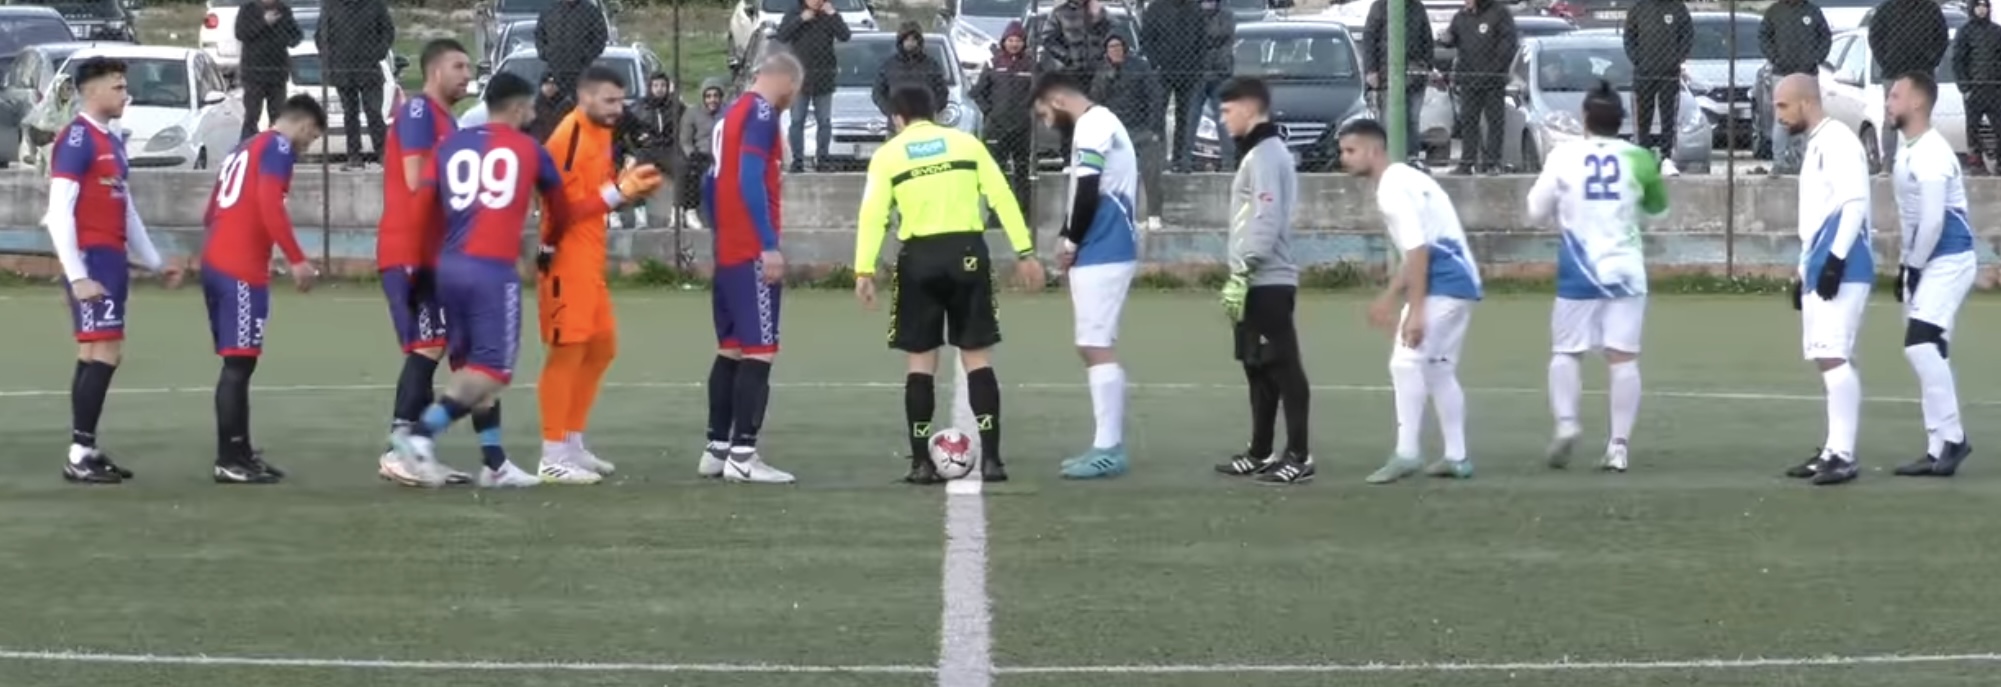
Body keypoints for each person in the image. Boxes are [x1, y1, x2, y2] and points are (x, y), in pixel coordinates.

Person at [389, 72, 662, 488]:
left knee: (473, 366)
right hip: (491, 272)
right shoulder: (529, 149)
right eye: (531, 107)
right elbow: (561, 213)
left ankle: (495, 464)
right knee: (492, 371)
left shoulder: (449, 145)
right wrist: (564, 235)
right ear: (518, 108)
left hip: (448, 267)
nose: (535, 114)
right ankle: (420, 436)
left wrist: (422, 269)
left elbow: (423, 207)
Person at [852, 86, 1044, 484]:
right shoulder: (966, 143)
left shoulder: (889, 154)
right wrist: (1024, 251)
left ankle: (921, 462)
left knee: (921, 360)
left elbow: (873, 214)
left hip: (919, 258)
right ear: (935, 113)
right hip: (968, 253)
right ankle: (992, 459)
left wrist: (863, 270)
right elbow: (1002, 195)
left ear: (897, 118)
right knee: (977, 356)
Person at [44, 58, 180, 485]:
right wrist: (77, 273)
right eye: (118, 87)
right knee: (104, 352)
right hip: (93, 257)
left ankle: (85, 448)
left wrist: (155, 261)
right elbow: (57, 212)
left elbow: (128, 209)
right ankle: (79, 452)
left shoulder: (113, 140)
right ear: (92, 91)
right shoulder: (79, 137)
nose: (127, 94)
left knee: (94, 352)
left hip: (111, 256)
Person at [1524, 81, 1669, 473]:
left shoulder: (1563, 156)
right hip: (1625, 272)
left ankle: (1567, 423)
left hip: (1579, 269)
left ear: (1584, 119)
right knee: (1623, 358)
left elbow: (1535, 211)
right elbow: (1658, 212)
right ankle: (1618, 446)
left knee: (1566, 351)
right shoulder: (1640, 158)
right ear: (1621, 121)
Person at [1341, 118, 1482, 484]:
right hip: (1461, 281)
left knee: (1406, 362)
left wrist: (1415, 311)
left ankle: (1407, 453)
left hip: (1445, 283)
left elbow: (1419, 250)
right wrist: (1388, 297)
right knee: (1438, 369)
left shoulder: (1391, 189)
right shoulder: (1406, 177)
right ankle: (1457, 457)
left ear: (1374, 150)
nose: (1344, 158)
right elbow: (1417, 250)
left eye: (1350, 150)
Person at [199, 95, 326, 484]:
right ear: (304, 125)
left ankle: (240, 450)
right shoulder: (278, 146)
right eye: (313, 136)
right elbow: (270, 203)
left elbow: (211, 211)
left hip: (220, 259)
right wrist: (296, 257)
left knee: (241, 360)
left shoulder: (246, 146)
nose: (309, 145)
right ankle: (229, 457)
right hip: (238, 266)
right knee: (238, 362)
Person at [698, 53, 804, 484]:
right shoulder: (762, 113)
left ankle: (717, 447)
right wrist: (766, 244)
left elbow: (710, 181)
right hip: (748, 251)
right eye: (795, 91)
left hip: (728, 249)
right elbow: (747, 179)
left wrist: (720, 232)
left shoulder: (731, 112)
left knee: (732, 349)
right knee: (761, 350)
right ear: (787, 83)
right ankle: (744, 454)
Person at [375, 39, 476, 487]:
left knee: (435, 348)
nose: (467, 75)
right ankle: (401, 447)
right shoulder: (417, 112)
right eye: (459, 66)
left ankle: (414, 449)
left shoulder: (447, 120)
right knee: (428, 345)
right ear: (435, 71)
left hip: (435, 253)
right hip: (409, 250)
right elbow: (418, 180)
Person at [1031, 72, 1139, 479]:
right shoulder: (1098, 124)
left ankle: (1109, 447)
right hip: (1101, 246)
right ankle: (1106, 445)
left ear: (1057, 98)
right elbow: (1084, 189)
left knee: (1095, 345)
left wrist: (1072, 240)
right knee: (1092, 344)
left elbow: (1091, 188)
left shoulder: (1094, 125)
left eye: (1043, 112)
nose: (1045, 122)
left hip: (1105, 247)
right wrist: (1067, 233)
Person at [533, 65, 634, 484]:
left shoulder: (602, 131)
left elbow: (601, 190)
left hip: (590, 258)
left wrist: (622, 184)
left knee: (602, 347)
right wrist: (619, 192)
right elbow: (563, 211)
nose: (618, 109)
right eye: (609, 100)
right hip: (564, 260)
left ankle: (572, 443)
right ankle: (552, 455)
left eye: (620, 100)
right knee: (568, 351)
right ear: (586, 97)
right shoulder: (569, 137)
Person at [1771, 73, 1872, 486]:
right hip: (1820, 261)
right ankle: (1833, 448)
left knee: (1833, 354)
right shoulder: (1818, 143)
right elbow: (1815, 218)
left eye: (1782, 106)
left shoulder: (1838, 141)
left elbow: (1854, 203)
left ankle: (1843, 454)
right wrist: (1804, 270)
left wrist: (1835, 261)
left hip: (1843, 265)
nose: (1778, 116)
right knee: (1826, 355)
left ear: (1806, 102)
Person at [1209, 78, 1310, 485]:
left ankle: (1299, 455)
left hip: (1267, 280)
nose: (1223, 117)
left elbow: (1266, 216)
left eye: (1228, 109)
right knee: (1258, 366)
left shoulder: (1268, 155)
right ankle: (1260, 450)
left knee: (1284, 368)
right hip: (1251, 280)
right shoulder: (1256, 154)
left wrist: (1247, 267)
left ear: (1250, 109)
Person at [1885, 71, 1976, 477]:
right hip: (1923, 262)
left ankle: (1954, 439)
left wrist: (1915, 265)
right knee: (1930, 350)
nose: (1888, 101)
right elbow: (1913, 219)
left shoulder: (1932, 153)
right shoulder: (1907, 149)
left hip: (1950, 260)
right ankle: (1937, 445)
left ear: (1917, 103)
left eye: (1895, 95)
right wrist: (1907, 265)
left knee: (1921, 345)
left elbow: (1935, 222)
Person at [1141, 0, 1232, 172]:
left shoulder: (1193, 9)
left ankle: (1179, 160)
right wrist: (1155, 63)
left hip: (1188, 73)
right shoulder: (1155, 8)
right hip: (1163, 72)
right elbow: (1146, 38)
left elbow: (1201, 41)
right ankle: (1159, 160)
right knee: (1157, 116)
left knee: (1184, 118)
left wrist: (1196, 66)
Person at [1089, 34, 1164, 232]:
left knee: (1151, 172)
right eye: (1110, 47)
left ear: (1125, 47)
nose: (1115, 50)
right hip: (1115, 132)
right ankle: (1123, 216)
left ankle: (1154, 215)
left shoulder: (1140, 66)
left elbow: (1154, 98)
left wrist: (1154, 129)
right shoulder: (1102, 70)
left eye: (1118, 46)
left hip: (1141, 129)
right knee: (1117, 176)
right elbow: (1096, 100)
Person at [1868, 0, 1948, 173]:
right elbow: (1875, 37)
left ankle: (1925, 164)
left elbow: (1942, 37)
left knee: (1922, 118)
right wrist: (1886, 61)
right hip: (1893, 73)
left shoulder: (1930, 8)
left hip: (1922, 72)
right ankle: (1887, 165)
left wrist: (1931, 61)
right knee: (1891, 119)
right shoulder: (1886, 9)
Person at [315, 0, 394, 169]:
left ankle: (383, 153)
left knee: (373, 111)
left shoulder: (374, 5)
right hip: (343, 69)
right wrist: (331, 60)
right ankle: (354, 156)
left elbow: (387, 31)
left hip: (369, 68)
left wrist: (377, 53)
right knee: (350, 113)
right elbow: (321, 36)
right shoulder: (332, 6)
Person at [1440, 0, 1516, 174]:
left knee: (1495, 122)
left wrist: (1495, 69)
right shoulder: (1461, 16)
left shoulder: (1499, 13)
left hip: (1492, 80)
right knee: (1468, 122)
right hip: (1469, 79)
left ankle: (1492, 163)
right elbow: (1451, 37)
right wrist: (1446, 38)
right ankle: (1467, 163)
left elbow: (1508, 44)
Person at [775, 0, 851, 172]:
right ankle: (798, 160)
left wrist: (833, 15)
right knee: (797, 120)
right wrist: (801, 19)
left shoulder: (828, 15)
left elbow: (845, 36)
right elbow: (782, 35)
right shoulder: (795, 11)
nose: (818, 2)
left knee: (824, 121)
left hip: (824, 78)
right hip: (799, 79)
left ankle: (823, 158)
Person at [971, 21, 1034, 221]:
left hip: (1022, 128)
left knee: (1022, 171)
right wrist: (990, 112)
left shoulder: (1031, 65)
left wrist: (1028, 110)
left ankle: (1023, 212)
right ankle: (996, 214)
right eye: (1011, 40)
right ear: (1004, 42)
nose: (1014, 44)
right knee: (996, 171)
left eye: (1018, 40)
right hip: (996, 128)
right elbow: (977, 92)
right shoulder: (992, 63)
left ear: (1024, 43)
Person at [1759, 0, 1830, 174]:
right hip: (1781, 74)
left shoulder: (1813, 11)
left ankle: (1807, 162)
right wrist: (1775, 58)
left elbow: (1825, 38)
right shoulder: (1774, 11)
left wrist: (1815, 59)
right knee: (1782, 119)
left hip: (1808, 74)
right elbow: (1764, 37)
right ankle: (1780, 162)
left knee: (1809, 117)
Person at [1623, 0, 1691, 176]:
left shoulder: (1677, 7)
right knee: (1643, 119)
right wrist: (1639, 61)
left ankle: (1666, 158)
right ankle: (1643, 159)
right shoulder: (1638, 7)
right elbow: (1629, 37)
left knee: (1668, 118)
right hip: (1643, 76)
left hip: (1669, 76)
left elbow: (1687, 35)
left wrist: (1676, 60)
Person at [1364, 0, 1434, 164]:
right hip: (1387, 76)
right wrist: (1371, 70)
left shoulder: (1417, 7)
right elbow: (1369, 38)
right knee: (1389, 120)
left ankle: (1412, 157)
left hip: (1415, 76)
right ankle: (1390, 158)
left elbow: (1427, 39)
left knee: (1412, 119)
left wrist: (1428, 66)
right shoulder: (1379, 7)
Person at [233, 0, 303, 141]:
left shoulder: (283, 10)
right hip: (254, 71)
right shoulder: (248, 9)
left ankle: (274, 148)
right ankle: (248, 147)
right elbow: (241, 33)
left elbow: (296, 36)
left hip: (277, 72)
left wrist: (283, 37)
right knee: (252, 114)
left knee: (277, 114)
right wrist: (263, 23)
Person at [1951, 0, 2001, 173]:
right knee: (1973, 128)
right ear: (1972, 8)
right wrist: (1965, 87)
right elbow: (1958, 61)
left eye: (1985, 6)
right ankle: (1976, 162)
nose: (1982, 9)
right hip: (1974, 89)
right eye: (1978, 6)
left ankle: (1999, 162)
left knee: (1998, 126)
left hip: (1994, 88)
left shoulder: (1996, 31)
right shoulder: (1965, 32)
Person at [873, 23, 949, 135]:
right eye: (907, 40)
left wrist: (933, 109)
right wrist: (891, 112)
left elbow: (942, 91)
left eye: (914, 40)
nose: (910, 43)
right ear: (901, 41)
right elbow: (878, 92)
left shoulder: (931, 65)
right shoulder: (889, 66)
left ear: (919, 42)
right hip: (897, 125)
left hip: (924, 125)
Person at [534, 0, 608, 97]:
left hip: (580, 74)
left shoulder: (591, 12)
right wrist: (545, 53)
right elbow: (539, 34)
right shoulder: (550, 10)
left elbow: (600, 37)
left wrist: (585, 55)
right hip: (555, 73)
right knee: (551, 106)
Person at [680, 79, 725, 230]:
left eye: (715, 96)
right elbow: (685, 140)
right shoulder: (692, 113)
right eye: (708, 96)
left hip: (723, 155)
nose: (712, 100)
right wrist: (692, 154)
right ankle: (690, 211)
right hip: (701, 154)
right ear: (703, 97)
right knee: (691, 172)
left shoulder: (728, 112)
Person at [1040, 0, 1112, 86]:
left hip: (1098, 72)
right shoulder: (1059, 13)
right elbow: (1048, 39)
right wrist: (1066, 57)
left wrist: (1108, 51)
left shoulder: (1100, 12)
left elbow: (1115, 31)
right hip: (1069, 72)